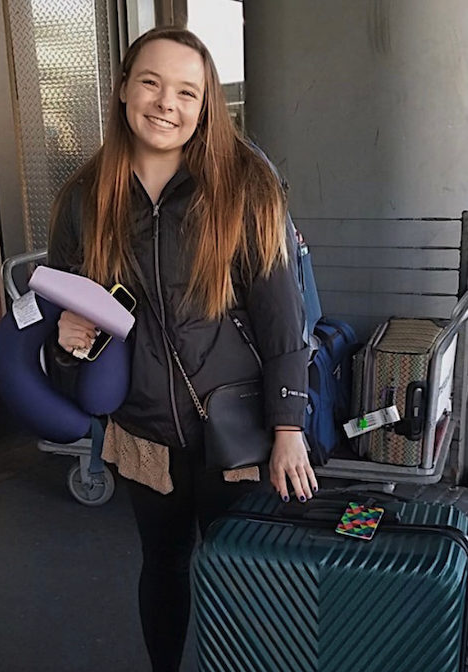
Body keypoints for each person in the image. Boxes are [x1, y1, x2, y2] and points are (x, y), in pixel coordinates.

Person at [48, 25, 318, 672]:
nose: (166, 103)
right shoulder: (84, 200)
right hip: (143, 430)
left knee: (241, 576)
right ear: (123, 89)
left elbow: (283, 320)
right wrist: (65, 340)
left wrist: (288, 427)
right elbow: (64, 314)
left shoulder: (244, 188)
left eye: (187, 92)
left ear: (205, 105)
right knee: (162, 564)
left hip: (239, 427)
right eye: (150, 82)